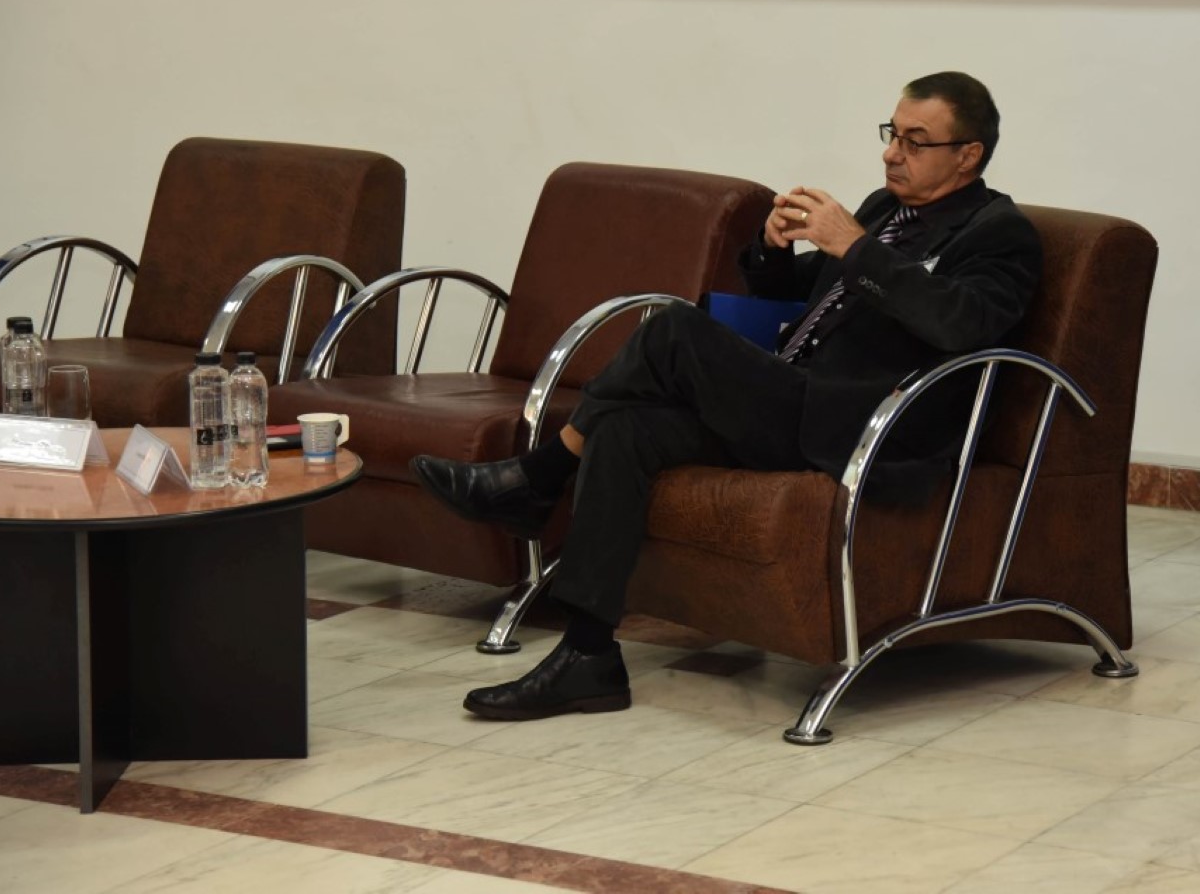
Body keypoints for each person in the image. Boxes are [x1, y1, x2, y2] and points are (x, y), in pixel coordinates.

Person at [411, 70, 1042, 720]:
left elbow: (958, 323)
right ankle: (587, 655)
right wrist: (772, 249)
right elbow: (809, 298)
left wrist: (854, 247)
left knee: (673, 331)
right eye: (892, 133)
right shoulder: (886, 211)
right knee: (626, 430)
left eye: (915, 141)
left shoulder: (998, 233)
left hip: (861, 430)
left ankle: (539, 476)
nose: (891, 153)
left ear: (967, 154)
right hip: (796, 403)